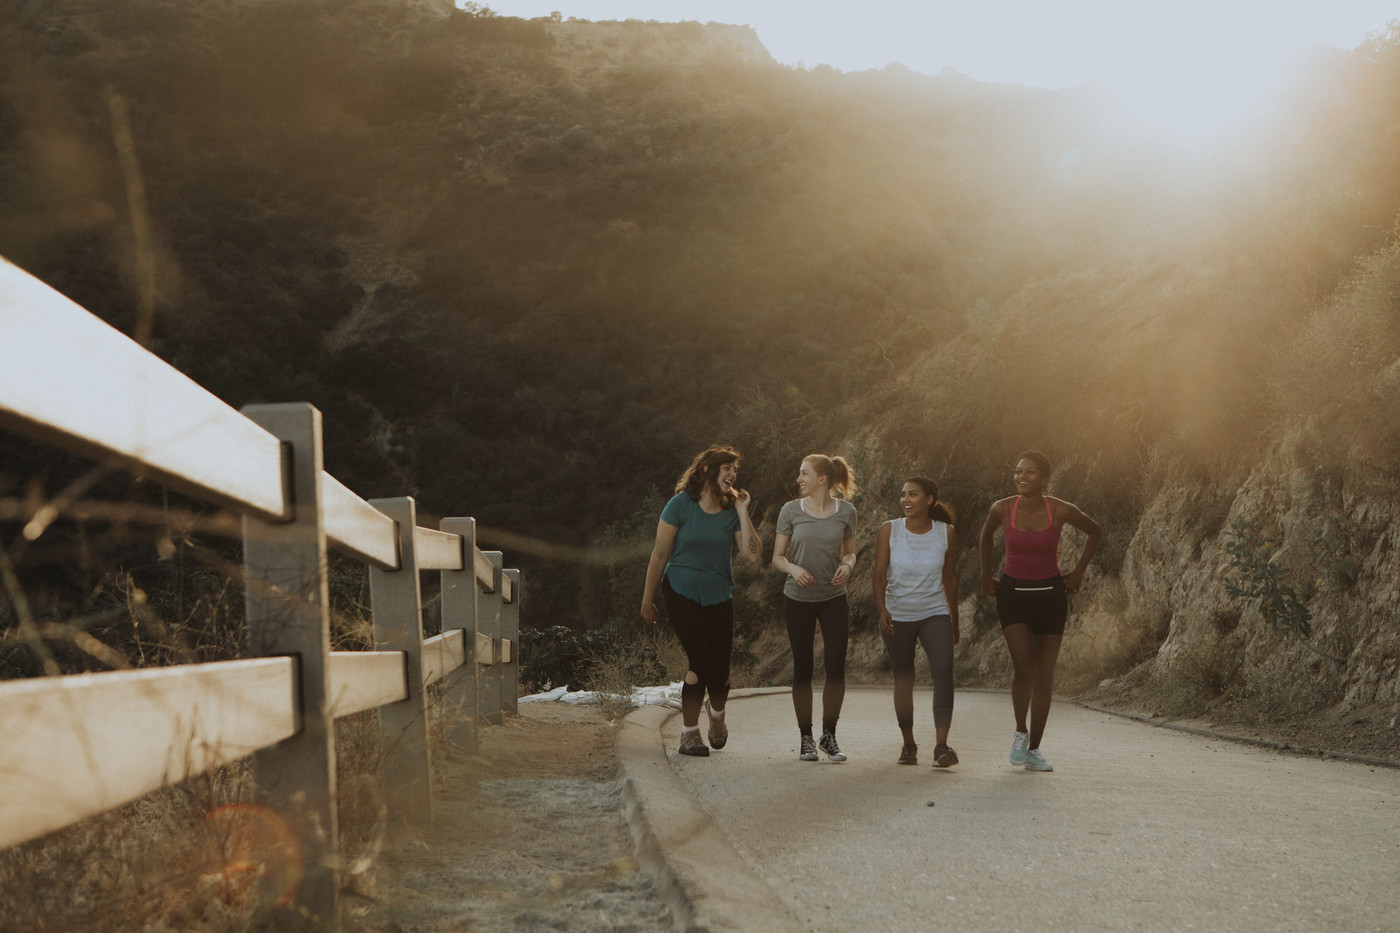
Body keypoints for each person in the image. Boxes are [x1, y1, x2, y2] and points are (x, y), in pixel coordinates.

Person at [979, 451, 1102, 772]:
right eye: (1018, 471)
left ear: (1044, 479)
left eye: (1030, 472)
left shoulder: (1060, 509)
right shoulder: (1002, 508)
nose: (1022, 476)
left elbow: (1095, 530)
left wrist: (1077, 573)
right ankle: (1020, 732)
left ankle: (1034, 749)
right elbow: (985, 534)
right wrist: (983, 574)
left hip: (1051, 596)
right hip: (1013, 595)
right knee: (1024, 666)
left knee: (1045, 675)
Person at [641, 446, 762, 757]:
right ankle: (689, 733)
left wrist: (743, 510)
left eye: (735, 469)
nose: (733, 474)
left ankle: (717, 715)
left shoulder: (731, 511)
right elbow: (659, 554)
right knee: (700, 661)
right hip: (680, 589)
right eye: (727, 468)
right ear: (708, 469)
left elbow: (752, 554)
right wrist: (647, 599)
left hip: (719, 593)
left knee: (720, 673)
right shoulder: (680, 505)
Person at [770, 454, 858, 762]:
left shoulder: (847, 512)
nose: (799, 479)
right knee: (803, 669)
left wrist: (848, 567)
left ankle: (829, 736)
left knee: (835, 669)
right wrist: (793, 570)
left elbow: (850, 554)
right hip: (798, 600)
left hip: (834, 597)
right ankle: (806, 738)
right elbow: (777, 557)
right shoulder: (790, 511)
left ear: (823, 479)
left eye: (804, 473)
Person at [873, 476, 960, 767]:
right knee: (904, 678)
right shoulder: (890, 530)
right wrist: (882, 608)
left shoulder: (945, 533)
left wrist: (954, 618)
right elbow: (879, 573)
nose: (906, 500)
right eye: (902, 495)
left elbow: (950, 577)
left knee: (944, 673)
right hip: (898, 615)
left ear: (930, 500)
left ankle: (942, 746)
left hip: (935, 612)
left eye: (913, 494)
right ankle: (909, 744)